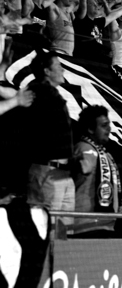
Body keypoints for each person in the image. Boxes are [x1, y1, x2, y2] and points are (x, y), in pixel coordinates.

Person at [24, 52, 75, 227]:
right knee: (44, 227)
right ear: (46, 70)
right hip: (46, 171)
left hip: (62, 173)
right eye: (58, 65)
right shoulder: (38, 90)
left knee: (63, 231)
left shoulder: (53, 94)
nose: (63, 69)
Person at [70, 105, 121, 237]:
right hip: (85, 225)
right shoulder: (83, 148)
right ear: (90, 129)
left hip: (104, 224)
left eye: (109, 125)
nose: (108, 129)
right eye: (104, 125)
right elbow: (80, 170)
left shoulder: (104, 152)